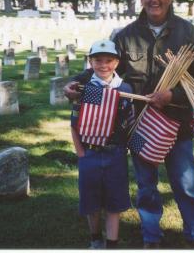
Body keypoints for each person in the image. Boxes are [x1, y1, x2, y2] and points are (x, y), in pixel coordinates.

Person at [65, 0, 194, 249]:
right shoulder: (126, 35)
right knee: (146, 185)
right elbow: (105, 68)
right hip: (139, 126)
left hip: (177, 122)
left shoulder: (186, 32)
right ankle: (151, 237)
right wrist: (75, 83)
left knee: (185, 184)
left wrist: (172, 95)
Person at [70, 39, 133, 249]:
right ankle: (96, 239)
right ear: (90, 61)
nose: (103, 65)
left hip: (116, 154)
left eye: (109, 60)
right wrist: (81, 153)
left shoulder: (125, 89)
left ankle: (112, 245)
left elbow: (130, 123)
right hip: (90, 153)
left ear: (116, 63)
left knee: (114, 203)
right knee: (92, 202)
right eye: (98, 60)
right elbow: (75, 123)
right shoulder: (87, 89)